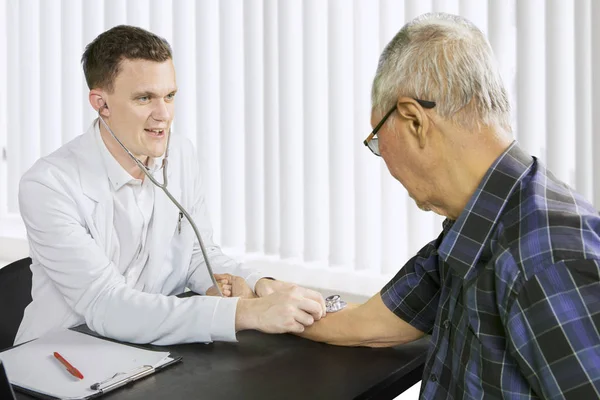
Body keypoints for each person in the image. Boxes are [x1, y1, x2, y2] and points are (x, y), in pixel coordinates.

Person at [298, 13, 600, 399]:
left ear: (413, 120)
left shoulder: (546, 257)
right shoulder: (473, 225)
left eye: (378, 139)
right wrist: (258, 300)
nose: (382, 156)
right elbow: (368, 323)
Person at [16, 25, 325, 346]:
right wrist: (247, 313)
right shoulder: (49, 185)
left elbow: (195, 255)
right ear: (101, 104)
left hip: (149, 347)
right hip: (64, 355)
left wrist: (258, 284)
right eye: (144, 98)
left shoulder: (179, 154)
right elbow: (105, 304)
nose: (163, 114)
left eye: (170, 96)